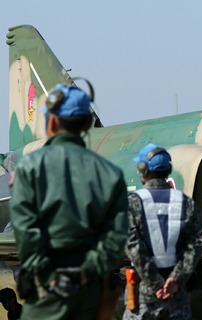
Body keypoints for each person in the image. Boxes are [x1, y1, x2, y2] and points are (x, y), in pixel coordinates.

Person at [10, 83, 129, 319]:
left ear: (52, 121)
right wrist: (84, 274)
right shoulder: (110, 173)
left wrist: (52, 277)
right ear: (86, 124)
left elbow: (25, 234)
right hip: (90, 295)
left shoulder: (29, 168)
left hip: (45, 295)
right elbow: (115, 239)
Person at [123, 144, 202, 320]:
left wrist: (154, 283)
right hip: (177, 294)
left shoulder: (133, 203)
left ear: (143, 170)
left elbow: (133, 246)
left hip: (144, 294)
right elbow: (195, 244)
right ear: (168, 169)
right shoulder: (185, 202)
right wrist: (175, 280)